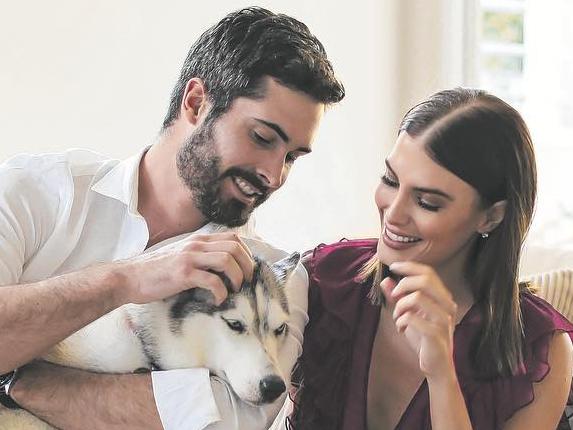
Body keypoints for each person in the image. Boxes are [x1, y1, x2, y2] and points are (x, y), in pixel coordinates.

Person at [0, 6, 344, 430]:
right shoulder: (34, 192)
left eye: (291, 156)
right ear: (197, 103)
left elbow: (220, 424)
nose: (274, 175)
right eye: (261, 138)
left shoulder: (274, 280)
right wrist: (126, 280)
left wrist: (15, 380)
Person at [287, 88, 573, 430]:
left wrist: (441, 376)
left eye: (428, 202)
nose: (393, 213)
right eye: (391, 180)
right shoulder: (323, 280)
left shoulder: (543, 351)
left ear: (491, 217)